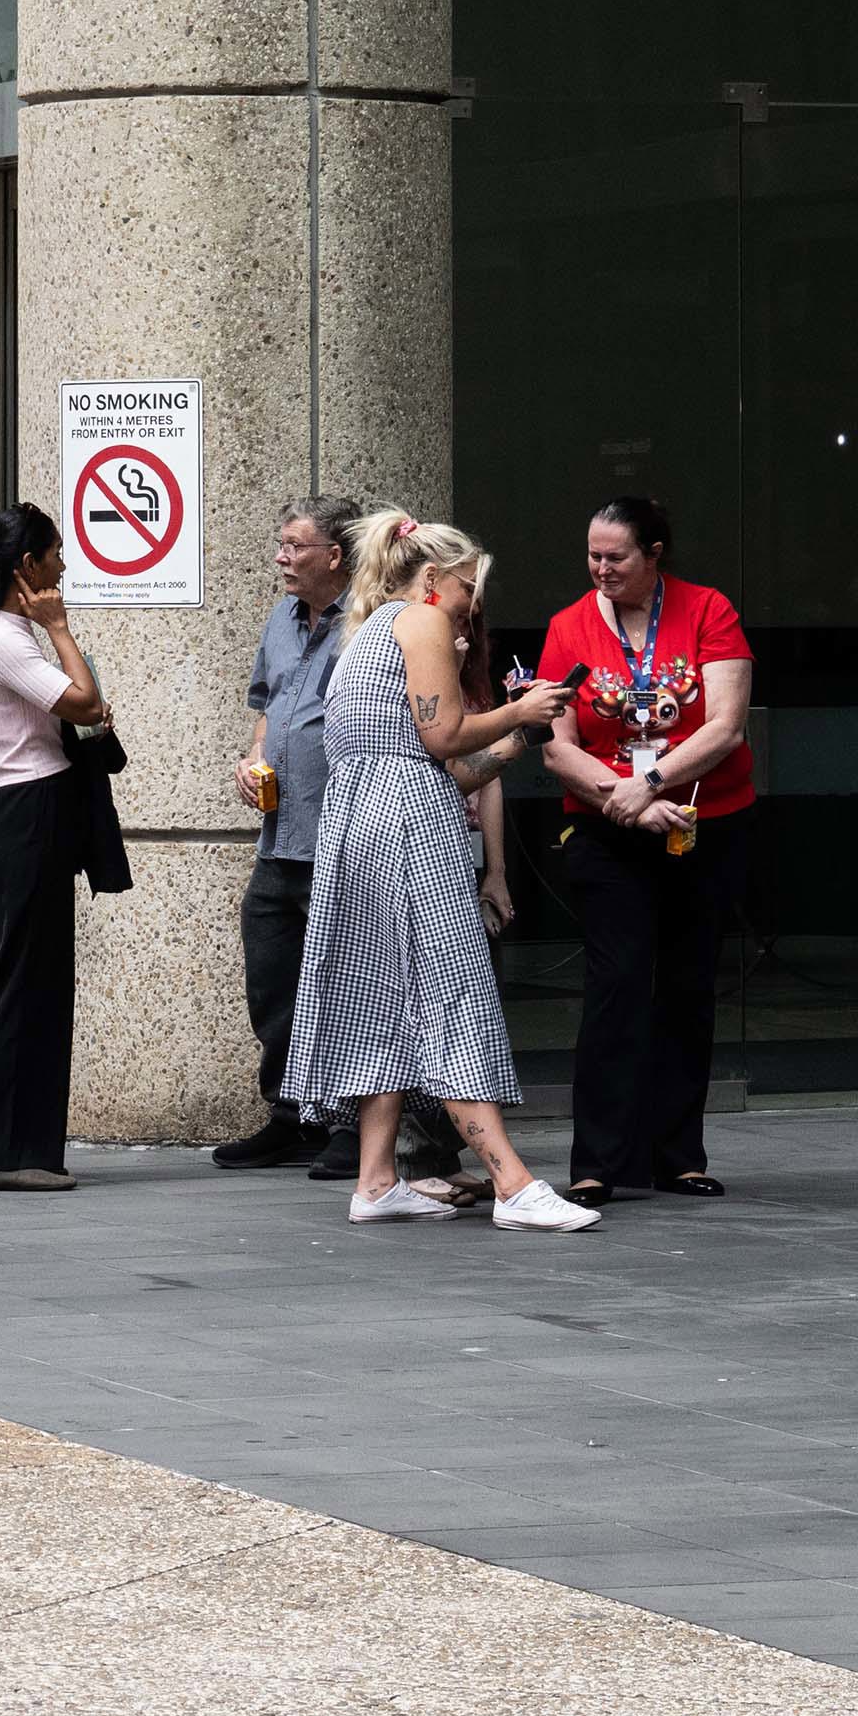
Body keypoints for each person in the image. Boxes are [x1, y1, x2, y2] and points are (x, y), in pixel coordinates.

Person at [289, 513, 598, 1234]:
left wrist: (516, 736)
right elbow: (443, 736)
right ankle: (513, 1184)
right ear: (432, 579)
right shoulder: (422, 621)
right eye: (467, 590)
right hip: (407, 825)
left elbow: (451, 763)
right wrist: (521, 705)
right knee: (448, 991)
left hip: (360, 821)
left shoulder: (363, 632)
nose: (471, 607)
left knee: (384, 1001)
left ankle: (376, 1180)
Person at [537, 498, 755, 1205]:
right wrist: (623, 797)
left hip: (700, 818)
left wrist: (654, 782)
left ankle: (678, 1155)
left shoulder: (707, 610)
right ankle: (598, 1161)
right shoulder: (568, 626)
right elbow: (555, 744)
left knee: (689, 988)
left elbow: (725, 725)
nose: (601, 568)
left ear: (655, 554)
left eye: (617, 558)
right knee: (617, 986)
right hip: (608, 828)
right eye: (594, 555)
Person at [0, 503, 121, 1191]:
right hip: (27, 812)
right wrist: (61, 628)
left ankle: (13, 1145)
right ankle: (5, 1154)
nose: (64, 566)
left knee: (38, 983)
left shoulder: (6, 633)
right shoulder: (7, 638)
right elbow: (82, 703)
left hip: (28, 811)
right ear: (29, 567)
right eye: (56, 554)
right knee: (27, 986)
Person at [216, 498, 367, 1170]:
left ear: (333, 556)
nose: (280, 557)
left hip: (342, 836)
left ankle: (353, 1125)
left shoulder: (368, 620)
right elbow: (266, 709)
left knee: (348, 984)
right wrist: (250, 761)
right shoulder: (282, 618)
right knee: (272, 978)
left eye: (293, 546)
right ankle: (290, 1111)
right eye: (280, 544)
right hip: (280, 839)